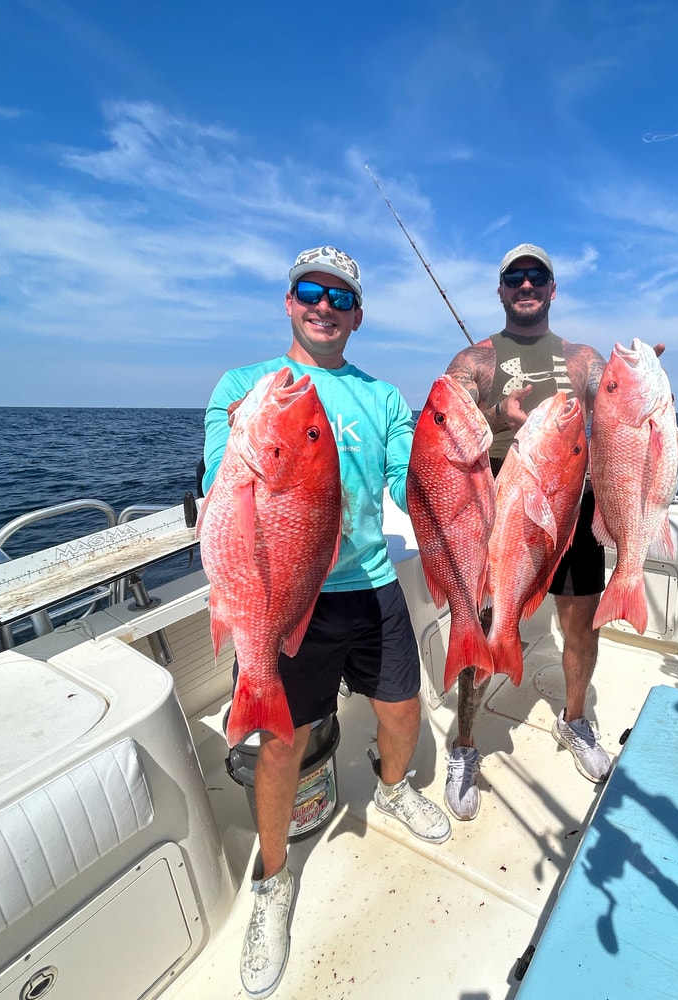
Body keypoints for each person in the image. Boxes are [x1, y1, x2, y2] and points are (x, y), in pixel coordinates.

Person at [202, 245, 451, 999]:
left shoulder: (381, 398)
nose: (323, 305)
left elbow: (417, 485)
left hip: (369, 587)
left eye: (339, 297)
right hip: (282, 596)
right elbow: (223, 482)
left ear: (358, 315)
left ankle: (392, 786)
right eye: (310, 291)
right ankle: (272, 881)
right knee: (283, 743)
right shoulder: (245, 386)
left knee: (403, 711)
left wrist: (481, 456)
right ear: (288, 301)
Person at [442, 242, 653, 822]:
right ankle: (464, 743)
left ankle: (576, 719)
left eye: (538, 277)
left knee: (579, 622)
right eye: (516, 277)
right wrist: (493, 418)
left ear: (552, 290)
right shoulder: (475, 361)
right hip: (500, 507)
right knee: (483, 622)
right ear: (502, 290)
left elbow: (617, 410)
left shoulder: (584, 358)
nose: (527, 285)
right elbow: (440, 423)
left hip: (569, 505)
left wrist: (646, 386)